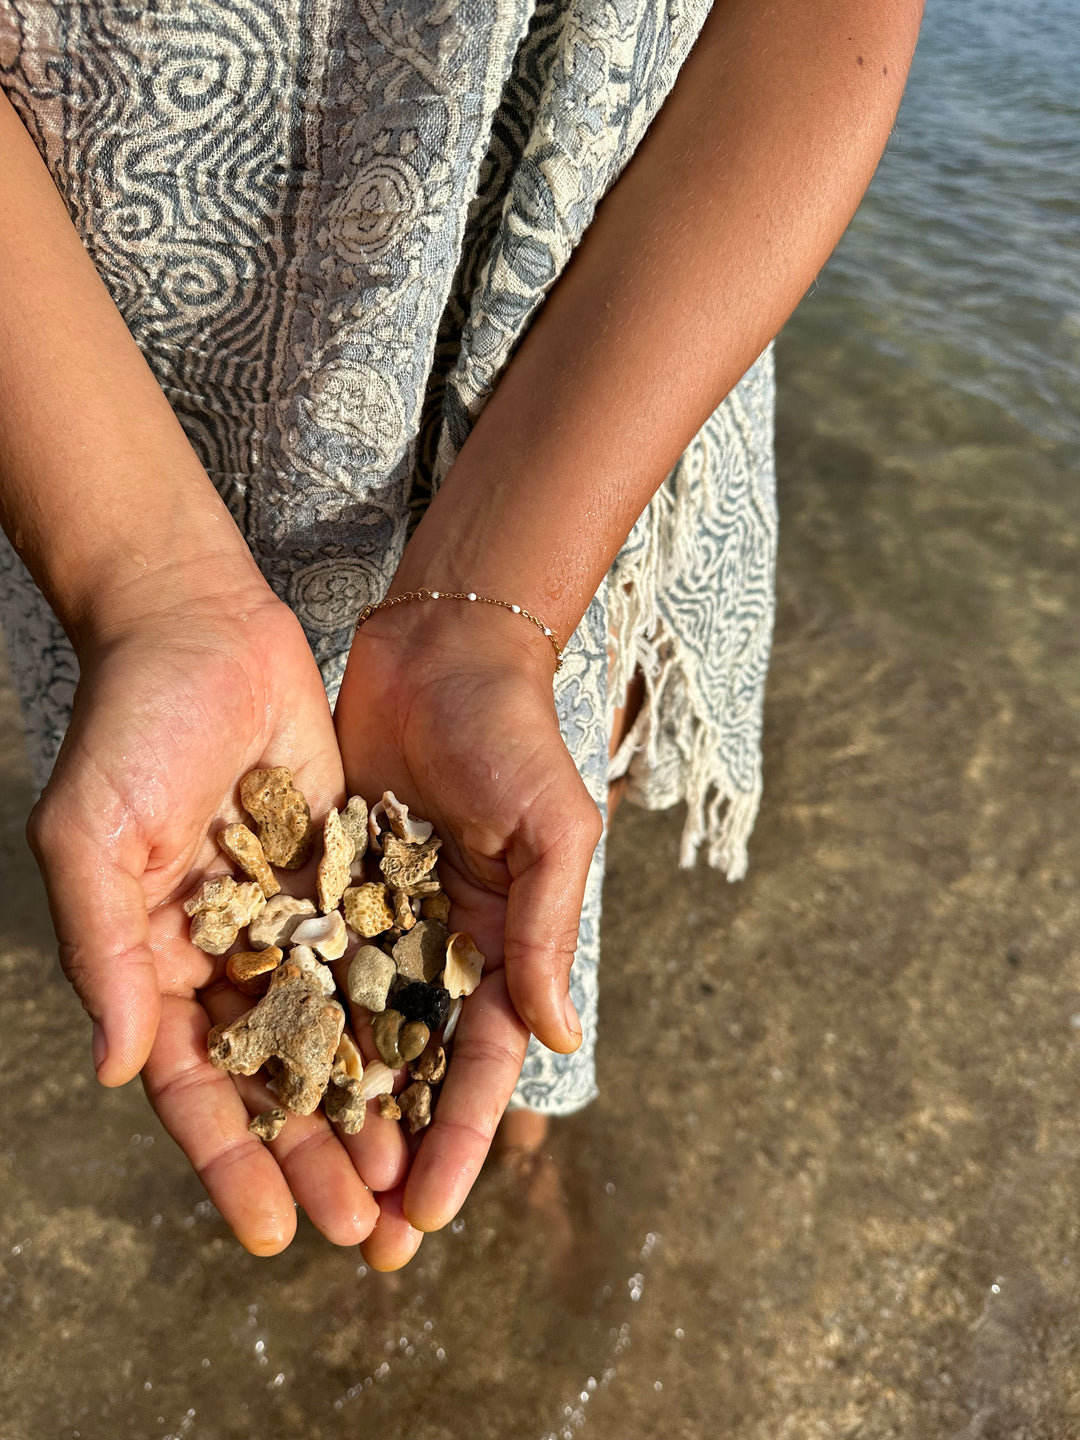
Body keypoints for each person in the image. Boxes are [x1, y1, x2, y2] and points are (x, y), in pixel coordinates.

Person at [0, 0, 923, 1270]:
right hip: (82, 383)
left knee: (539, 806)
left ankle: (519, 1133)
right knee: (469, 864)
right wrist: (139, 582)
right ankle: (493, 1150)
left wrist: (503, 609)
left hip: (613, 340)